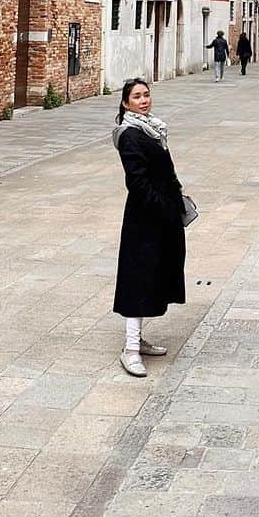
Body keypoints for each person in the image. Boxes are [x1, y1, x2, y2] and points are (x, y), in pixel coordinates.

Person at [112, 78, 186, 377]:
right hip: (145, 216)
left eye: (146, 95)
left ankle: (137, 339)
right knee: (138, 277)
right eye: (137, 97)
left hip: (163, 213)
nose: (144, 100)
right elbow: (137, 181)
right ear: (126, 103)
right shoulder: (129, 134)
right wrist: (162, 207)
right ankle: (130, 350)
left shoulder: (152, 128)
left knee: (154, 275)